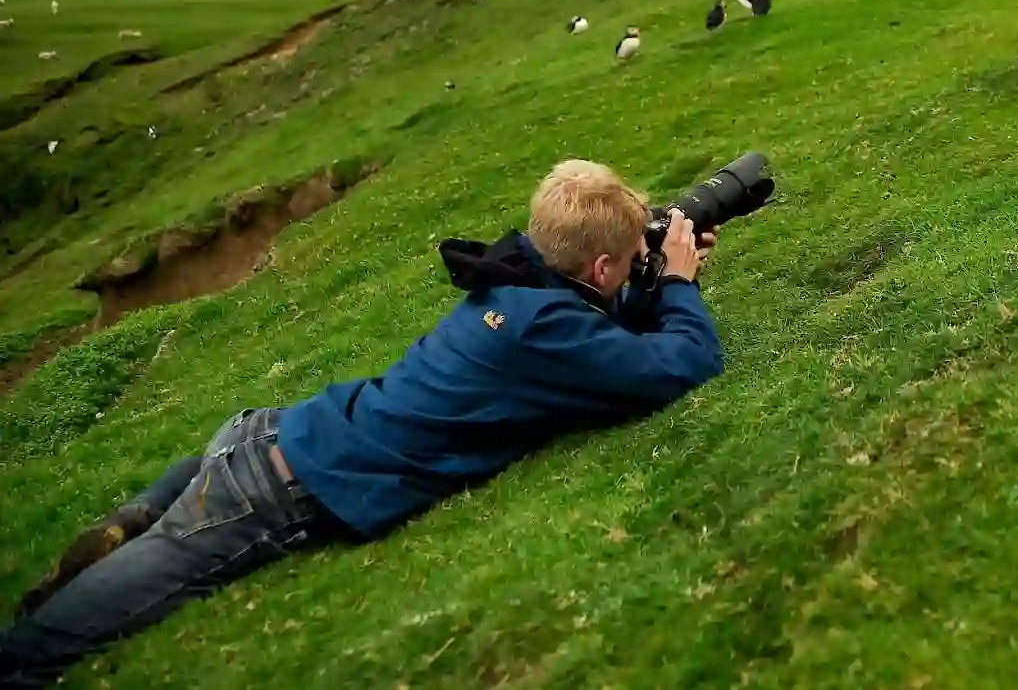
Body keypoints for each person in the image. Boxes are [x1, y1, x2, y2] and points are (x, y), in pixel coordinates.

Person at [1, 160, 724, 687]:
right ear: (599, 268)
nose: (640, 266)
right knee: (50, 647)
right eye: (630, 261)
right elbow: (682, 363)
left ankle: (140, 517)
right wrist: (678, 286)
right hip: (277, 489)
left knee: (184, 506)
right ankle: (48, 627)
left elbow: (592, 336)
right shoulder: (545, 328)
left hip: (273, 434)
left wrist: (649, 283)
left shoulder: (514, 278)